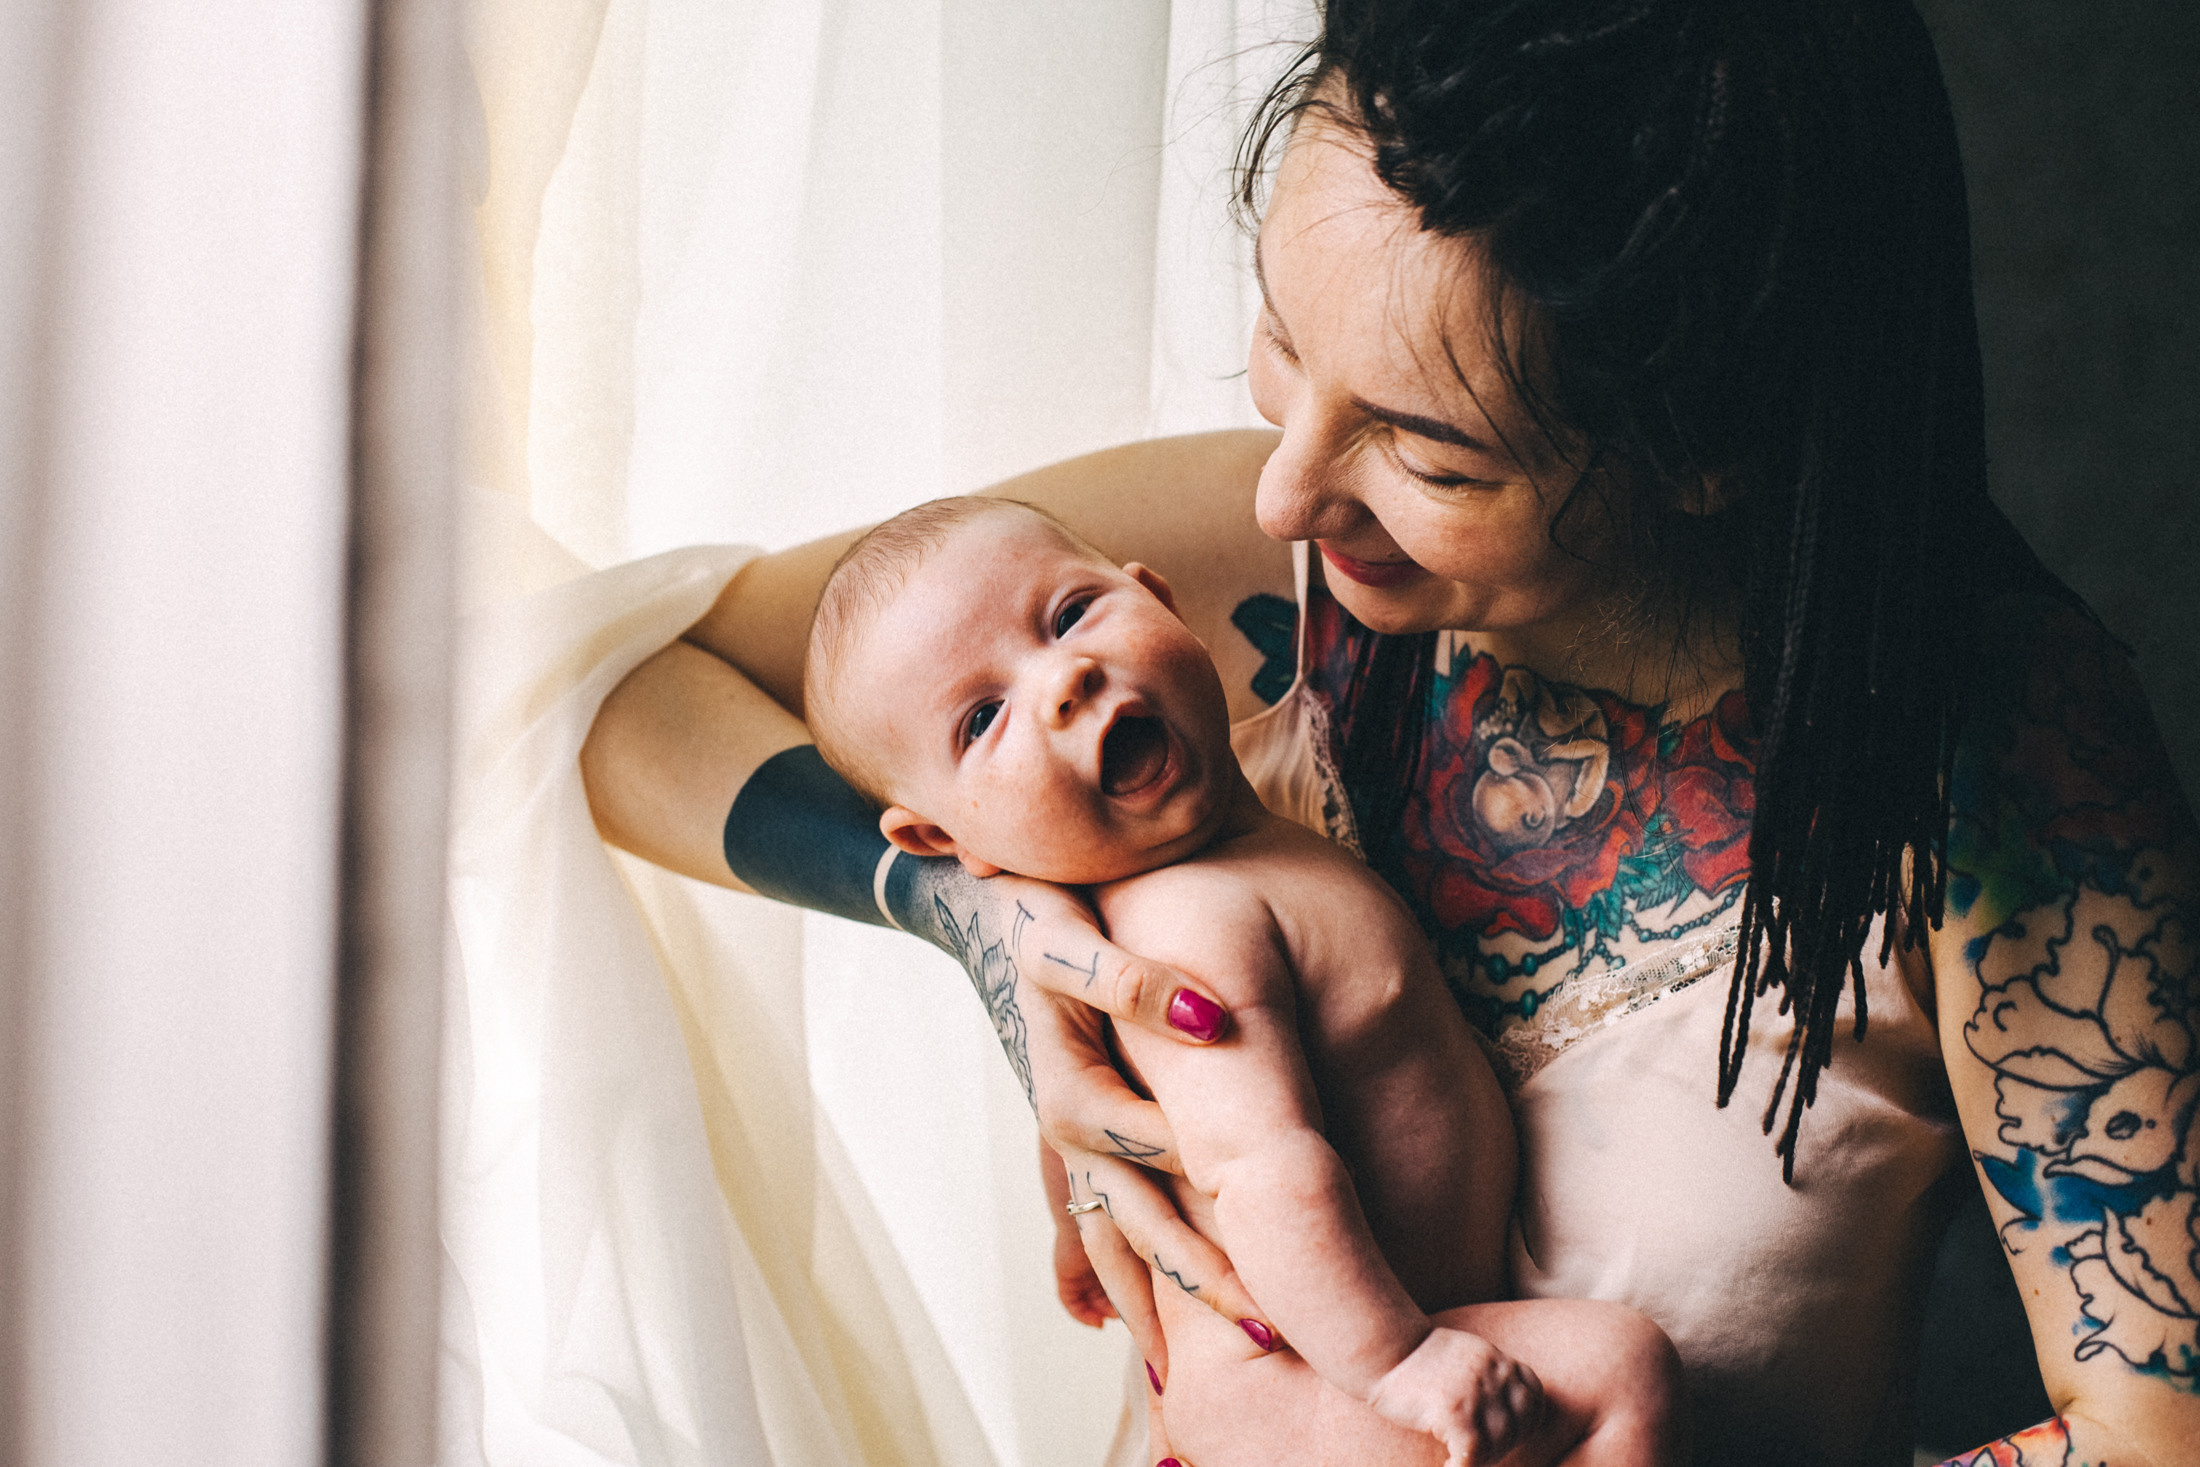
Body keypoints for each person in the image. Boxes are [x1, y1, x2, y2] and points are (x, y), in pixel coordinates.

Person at [578, 1, 2200, 1462]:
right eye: (1285, 341)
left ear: (1707, 446)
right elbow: (610, 685)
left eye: (1434, 458)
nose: (1284, 493)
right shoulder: (1234, 581)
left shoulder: (1998, 758)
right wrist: (1001, 936)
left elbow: (2160, 1434)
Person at [800, 495, 1683, 1466]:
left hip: (1321, 1361)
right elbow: (1261, 1168)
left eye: (1070, 615)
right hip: (1304, 1378)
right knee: (1621, 1368)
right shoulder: (1190, 923)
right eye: (982, 718)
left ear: (1161, 599)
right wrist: (1400, 1361)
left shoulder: (1222, 871)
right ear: (939, 839)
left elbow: (1081, 1122)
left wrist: (1073, 1230)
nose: (1063, 679)